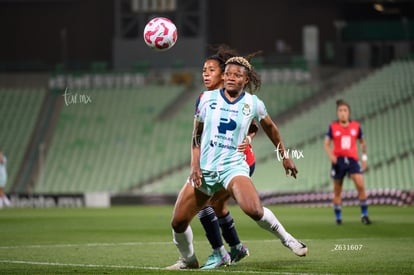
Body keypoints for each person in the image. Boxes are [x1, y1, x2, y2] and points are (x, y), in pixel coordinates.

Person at [166, 55, 308, 270]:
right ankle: (189, 260)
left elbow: (270, 128)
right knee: (177, 222)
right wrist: (195, 166)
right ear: (224, 76)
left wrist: (284, 156)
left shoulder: (253, 103)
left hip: (233, 167)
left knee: (253, 210)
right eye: (229, 74)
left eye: (237, 75)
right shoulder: (205, 98)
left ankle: (288, 239)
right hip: (205, 169)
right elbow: (196, 135)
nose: (232, 77)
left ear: (246, 79)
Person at [196, 46, 257, 269]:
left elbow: (255, 125)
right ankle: (235, 247)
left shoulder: (237, 97)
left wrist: (248, 140)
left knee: (205, 204)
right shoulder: (210, 99)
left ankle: (221, 252)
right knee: (216, 206)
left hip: (236, 162)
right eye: (203, 70)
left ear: (223, 75)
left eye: (210, 70)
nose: (205, 74)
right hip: (218, 161)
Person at [324, 99, 371, 225]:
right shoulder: (333, 127)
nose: (342, 113)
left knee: (361, 185)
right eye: (340, 110)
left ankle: (364, 215)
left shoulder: (356, 126)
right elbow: (326, 144)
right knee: (337, 190)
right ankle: (338, 218)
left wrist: (364, 158)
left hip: (353, 160)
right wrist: (331, 156)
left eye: (345, 110)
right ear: (337, 113)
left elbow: (362, 142)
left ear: (349, 112)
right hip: (338, 161)